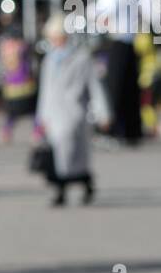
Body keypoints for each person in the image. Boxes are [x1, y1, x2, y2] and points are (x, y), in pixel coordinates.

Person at [36, 15, 111, 206]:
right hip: (53, 113)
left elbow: (95, 87)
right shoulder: (49, 60)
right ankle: (62, 189)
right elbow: (45, 91)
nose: (55, 41)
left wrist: (103, 113)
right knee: (59, 154)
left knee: (70, 154)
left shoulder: (82, 58)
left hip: (74, 112)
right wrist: (41, 117)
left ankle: (81, 184)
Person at [103, 0, 143, 145]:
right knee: (129, 89)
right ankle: (131, 131)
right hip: (128, 44)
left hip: (120, 44)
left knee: (117, 89)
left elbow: (100, 12)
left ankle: (115, 130)